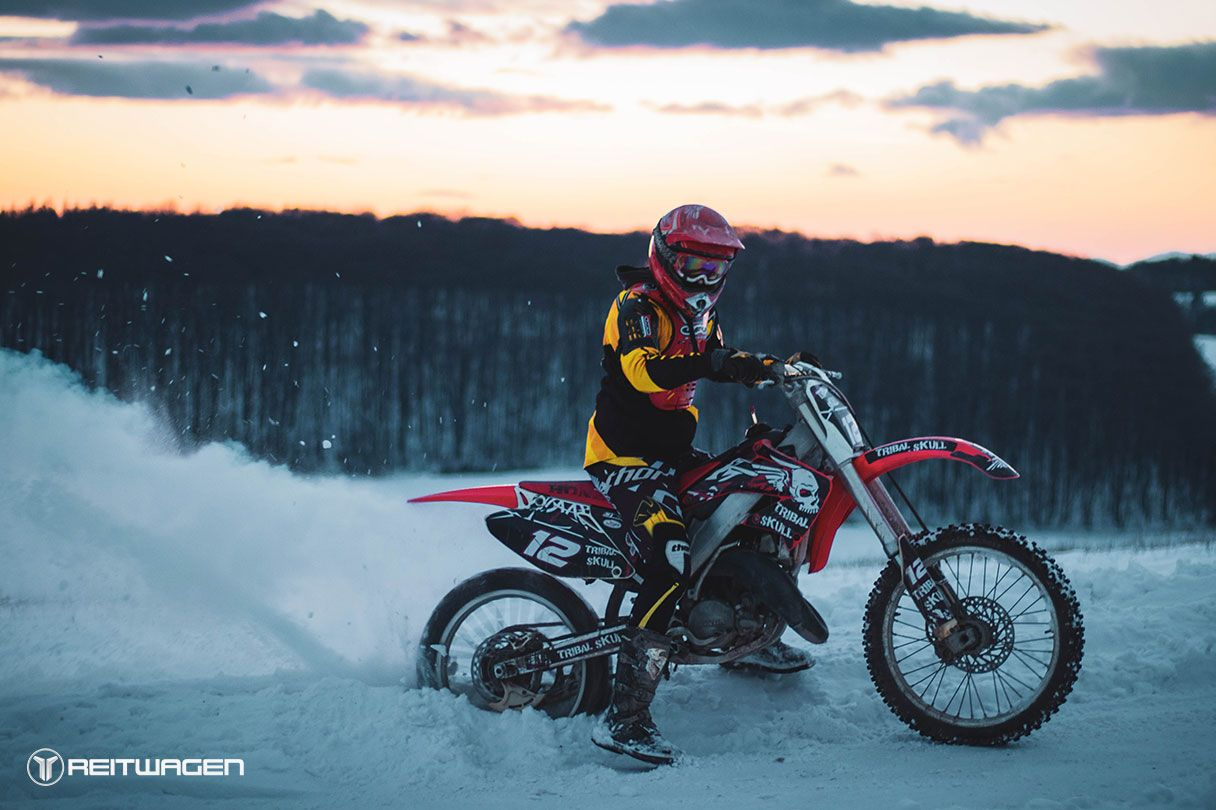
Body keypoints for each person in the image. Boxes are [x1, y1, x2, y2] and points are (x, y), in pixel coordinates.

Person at [585, 204, 812, 766]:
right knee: (671, 555)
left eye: (715, 269)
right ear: (664, 256)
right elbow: (643, 372)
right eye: (693, 264)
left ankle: (743, 642)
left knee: (743, 510)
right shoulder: (637, 306)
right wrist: (716, 364)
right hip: (625, 457)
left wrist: (768, 368)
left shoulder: (701, 318)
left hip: (673, 453)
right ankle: (626, 716)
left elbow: (719, 359)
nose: (703, 279)